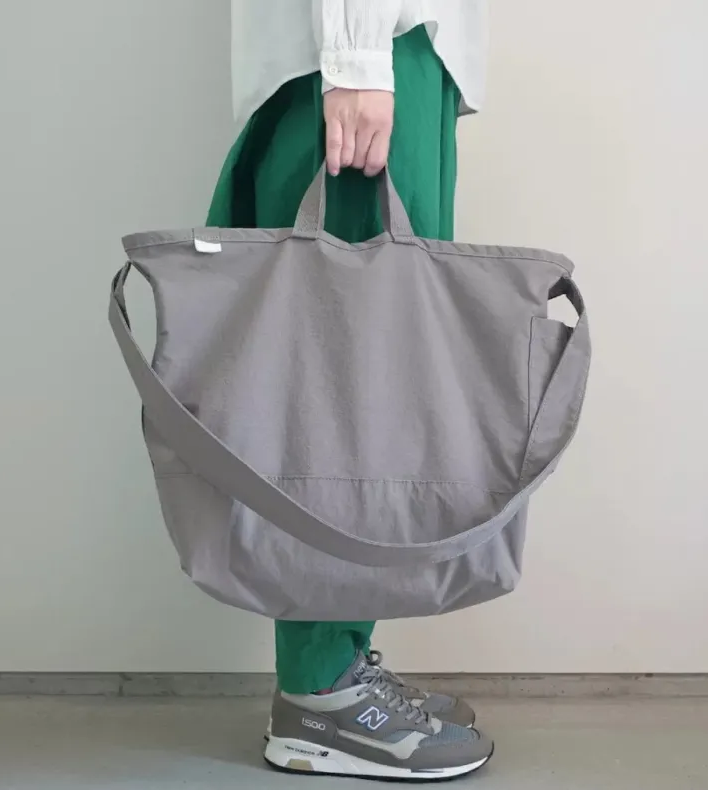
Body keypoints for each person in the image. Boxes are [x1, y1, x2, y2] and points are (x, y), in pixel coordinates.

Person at [207, 1, 494, 780]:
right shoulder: (361, 55)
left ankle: (340, 657)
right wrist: (358, 57)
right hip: (367, 49)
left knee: (374, 383)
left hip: (392, 52)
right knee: (343, 389)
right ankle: (321, 692)